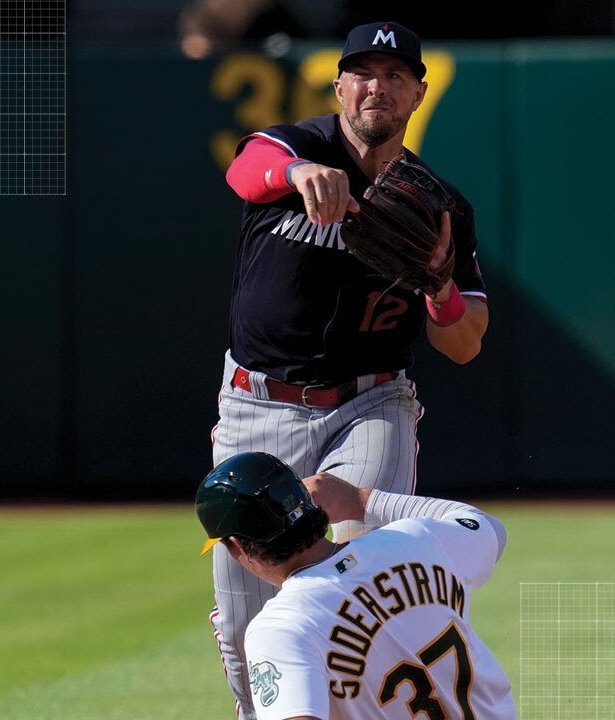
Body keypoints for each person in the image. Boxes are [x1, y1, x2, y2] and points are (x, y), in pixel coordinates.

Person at [207, 20, 490, 717]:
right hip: (258, 404)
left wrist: (438, 286)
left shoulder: (439, 206)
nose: (377, 87)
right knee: (247, 630)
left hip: (372, 402)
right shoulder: (296, 149)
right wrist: (299, 172)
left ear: (418, 93)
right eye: (363, 72)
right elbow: (245, 171)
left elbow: (465, 343)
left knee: (358, 576)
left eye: (395, 75)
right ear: (338, 86)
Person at [195, 452, 515, 719]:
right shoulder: (415, 539)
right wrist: (361, 500)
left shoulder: (281, 627)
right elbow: (489, 528)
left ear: (238, 546)